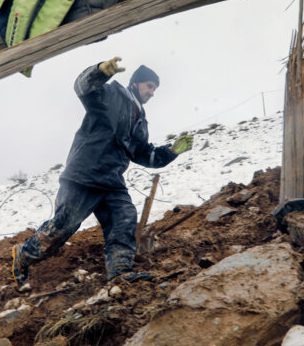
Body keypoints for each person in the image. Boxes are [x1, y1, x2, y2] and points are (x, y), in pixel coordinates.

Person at [11, 57, 194, 284]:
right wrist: (100, 71)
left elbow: (144, 154)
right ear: (136, 83)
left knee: (124, 217)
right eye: (149, 86)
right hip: (84, 175)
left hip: (112, 181)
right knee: (62, 227)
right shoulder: (111, 94)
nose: (152, 92)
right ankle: (24, 254)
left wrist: (172, 151)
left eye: (155, 89)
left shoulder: (140, 119)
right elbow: (83, 87)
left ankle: (121, 273)